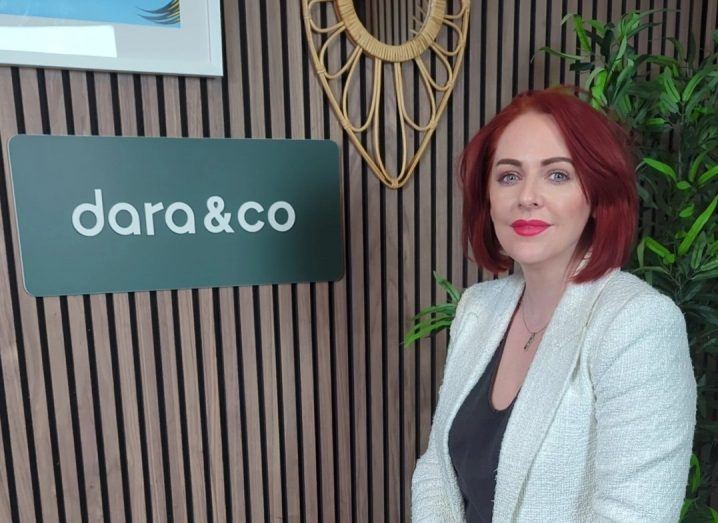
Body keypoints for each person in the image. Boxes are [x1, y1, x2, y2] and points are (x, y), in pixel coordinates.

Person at [411, 86, 697, 522]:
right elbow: (437, 469)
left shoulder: (638, 324)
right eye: (509, 176)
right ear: (487, 199)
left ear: (596, 196)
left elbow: (636, 514)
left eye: (557, 175)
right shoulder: (477, 310)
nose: (527, 195)